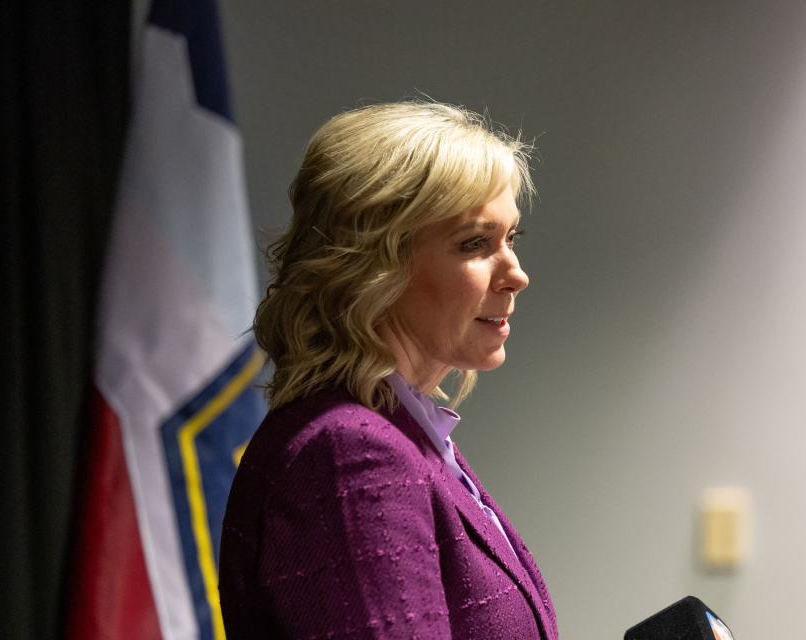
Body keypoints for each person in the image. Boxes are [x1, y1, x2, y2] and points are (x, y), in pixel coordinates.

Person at [219, 101, 558, 639]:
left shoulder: (403, 435)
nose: (515, 274)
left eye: (511, 238)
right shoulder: (349, 455)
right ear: (375, 267)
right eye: (475, 243)